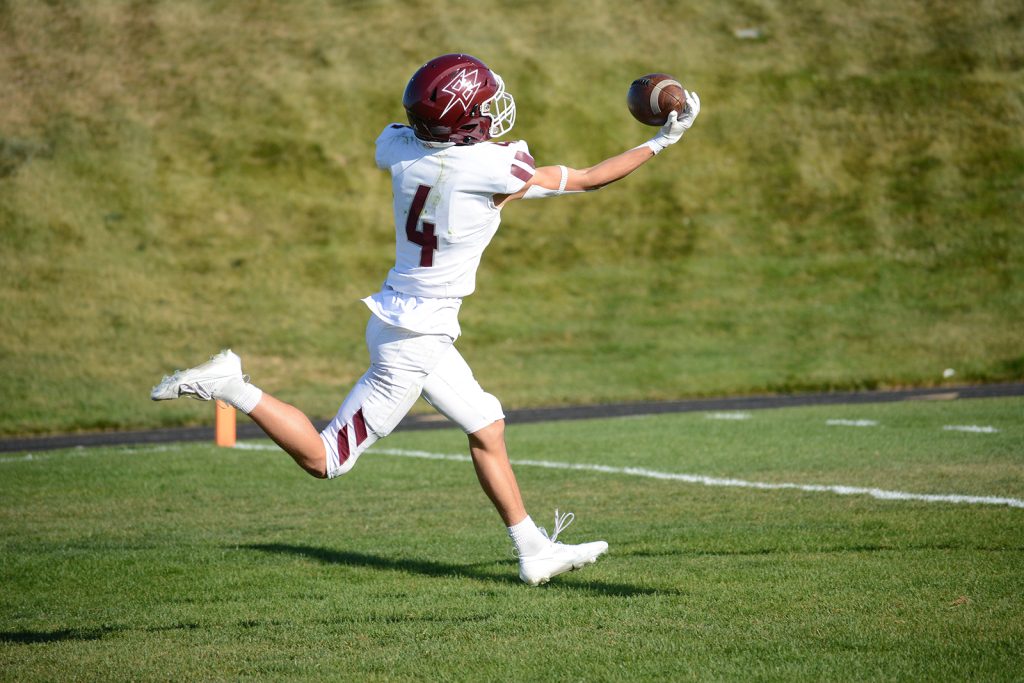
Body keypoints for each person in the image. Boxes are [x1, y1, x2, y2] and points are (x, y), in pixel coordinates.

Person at [152, 53, 700, 586]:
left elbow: (414, 135)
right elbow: (584, 179)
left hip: (406, 317)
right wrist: (661, 141)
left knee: (487, 425)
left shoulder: (399, 150)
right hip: (415, 339)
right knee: (328, 458)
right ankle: (233, 384)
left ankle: (533, 550)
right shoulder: (494, 168)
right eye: (483, 105)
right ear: (464, 123)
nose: (493, 112)